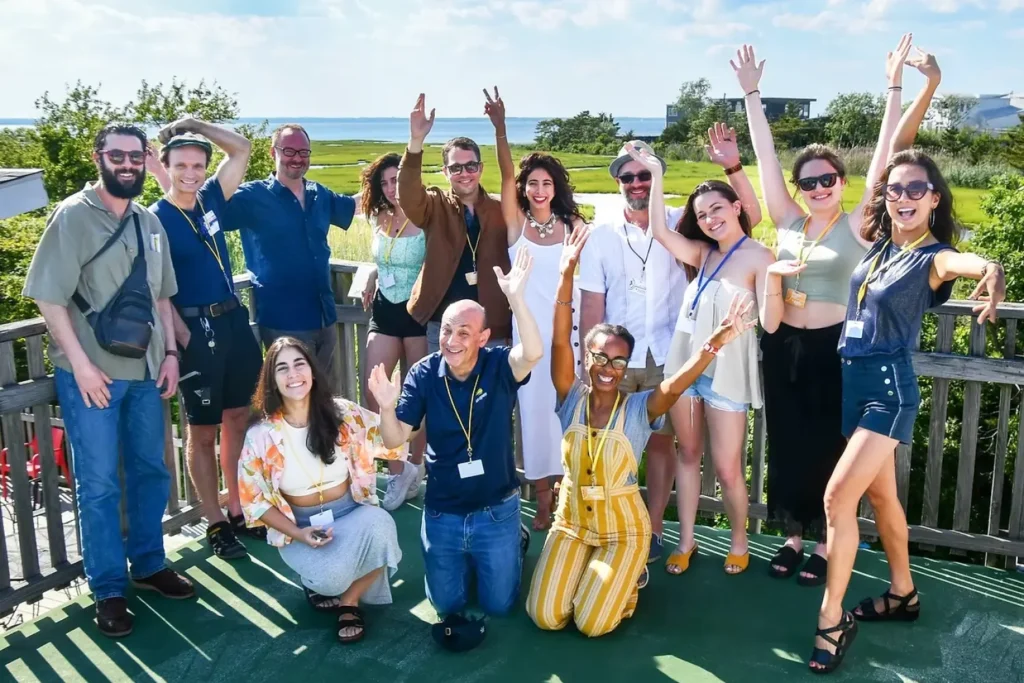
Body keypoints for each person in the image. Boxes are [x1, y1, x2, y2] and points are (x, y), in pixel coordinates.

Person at [807, 149, 1005, 673]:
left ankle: (832, 619)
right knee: (881, 494)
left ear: (934, 198)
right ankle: (903, 593)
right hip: (854, 381)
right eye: (895, 189)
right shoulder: (879, 251)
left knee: (836, 498)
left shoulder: (930, 257)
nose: (903, 198)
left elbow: (959, 263)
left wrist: (989, 267)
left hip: (888, 390)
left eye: (916, 189)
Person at [732, 36, 915, 585]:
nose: (817, 188)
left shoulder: (859, 223)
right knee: (787, 443)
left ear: (843, 183)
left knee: (830, 448)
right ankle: (792, 535)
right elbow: (764, 156)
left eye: (827, 179)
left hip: (835, 350)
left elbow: (884, 155)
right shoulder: (787, 219)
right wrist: (752, 96)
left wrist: (894, 86)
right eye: (808, 181)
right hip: (782, 345)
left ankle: (825, 542)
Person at [526, 225, 756, 637]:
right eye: (600, 358)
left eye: (618, 362)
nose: (609, 369)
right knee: (546, 616)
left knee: (593, 624)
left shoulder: (637, 408)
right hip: (573, 523)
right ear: (587, 357)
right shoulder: (570, 397)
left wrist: (717, 339)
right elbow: (561, 339)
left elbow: (677, 383)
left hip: (622, 530)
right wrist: (565, 275)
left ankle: (629, 580)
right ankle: (589, 571)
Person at [22, 123, 195, 638]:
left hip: (146, 372)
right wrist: (80, 364)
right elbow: (49, 297)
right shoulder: (73, 216)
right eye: (117, 155)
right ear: (99, 157)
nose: (127, 164)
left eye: (136, 157)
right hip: (92, 374)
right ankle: (108, 588)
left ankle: (147, 565)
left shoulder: (149, 222)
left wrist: (168, 356)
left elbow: (163, 297)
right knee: (98, 485)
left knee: (150, 471)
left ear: (146, 161)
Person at [628, 141, 779, 576]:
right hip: (686, 370)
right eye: (702, 215)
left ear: (736, 206)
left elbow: (770, 321)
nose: (710, 219)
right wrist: (656, 172)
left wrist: (777, 282)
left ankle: (739, 539)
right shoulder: (702, 254)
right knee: (688, 455)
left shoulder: (759, 256)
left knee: (730, 469)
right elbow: (659, 230)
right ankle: (687, 540)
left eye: (717, 209)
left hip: (727, 374)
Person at [368, 248, 543, 618]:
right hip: (443, 511)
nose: (452, 340)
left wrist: (515, 297)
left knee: (499, 604)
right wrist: (386, 406)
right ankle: (471, 559)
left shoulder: (497, 364)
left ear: (483, 338)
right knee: (447, 605)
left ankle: (516, 539)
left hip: (495, 508)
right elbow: (395, 439)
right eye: (447, 330)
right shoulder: (424, 373)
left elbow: (532, 352)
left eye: (464, 332)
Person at [147, 117, 264, 559]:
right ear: (165, 166)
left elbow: (242, 148)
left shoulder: (212, 198)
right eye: (182, 165)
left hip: (233, 320)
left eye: (198, 165)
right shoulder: (156, 219)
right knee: (201, 432)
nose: (191, 173)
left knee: (240, 417)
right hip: (195, 328)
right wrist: (178, 337)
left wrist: (194, 124)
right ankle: (213, 520)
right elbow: (156, 286)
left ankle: (237, 507)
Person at [239, 337, 406, 644]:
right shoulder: (261, 435)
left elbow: (391, 442)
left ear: (313, 372)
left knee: (382, 529)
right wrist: (299, 533)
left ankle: (350, 602)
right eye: (282, 368)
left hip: (351, 513)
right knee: (330, 579)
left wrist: (387, 406)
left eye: (299, 364)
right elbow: (255, 503)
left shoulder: (342, 414)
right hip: (299, 525)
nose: (293, 374)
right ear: (272, 381)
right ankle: (319, 583)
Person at [577, 142, 688, 564]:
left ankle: (655, 527)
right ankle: (606, 524)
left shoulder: (681, 223)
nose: (638, 184)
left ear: (658, 177)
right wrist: (592, 363)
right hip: (615, 360)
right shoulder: (601, 236)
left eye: (646, 175)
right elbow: (592, 302)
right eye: (629, 177)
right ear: (618, 183)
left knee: (661, 445)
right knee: (606, 443)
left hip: (664, 355)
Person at [484, 86, 586, 531]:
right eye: (533, 183)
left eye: (547, 183)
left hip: (570, 333)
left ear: (556, 188)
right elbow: (505, 174)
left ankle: (569, 498)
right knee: (534, 416)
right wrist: (501, 128)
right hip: (529, 338)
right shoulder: (517, 224)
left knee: (570, 413)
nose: (539, 190)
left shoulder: (573, 225)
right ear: (525, 190)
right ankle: (543, 500)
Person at [220, 123, 357, 388]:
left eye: (304, 152)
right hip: (283, 321)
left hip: (324, 317)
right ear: (274, 153)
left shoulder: (320, 194)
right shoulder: (252, 197)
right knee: (290, 400)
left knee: (325, 400)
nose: (297, 158)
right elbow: (208, 206)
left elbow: (357, 206)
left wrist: (401, 197)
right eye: (289, 151)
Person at [397, 94, 512, 356]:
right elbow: (408, 195)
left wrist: (500, 129)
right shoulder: (435, 206)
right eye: (456, 168)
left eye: (470, 166)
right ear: (445, 172)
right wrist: (416, 141)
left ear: (481, 168)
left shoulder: (497, 210)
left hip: (491, 327)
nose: (464, 174)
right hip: (443, 324)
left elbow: (510, 177)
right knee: (443, 394)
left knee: (489, 395)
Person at [357, 153, 427, 511]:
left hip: (418, 313)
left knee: (418, 397)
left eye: (395, 180)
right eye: (384, 182)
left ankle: (416, 467)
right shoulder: (378, 216)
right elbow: (381, 259)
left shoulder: (428, 213)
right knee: (375, 390)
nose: (390, 188)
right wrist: (371, 274)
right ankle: (398, 470)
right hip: (384, 309)